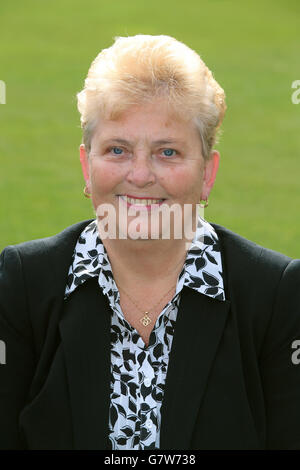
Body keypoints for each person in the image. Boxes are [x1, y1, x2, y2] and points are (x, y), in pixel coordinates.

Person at [1, 34, 300, 451]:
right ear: (87, 166)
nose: (140, 175)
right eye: (118, 149)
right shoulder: (22, 284)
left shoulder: (275, 295)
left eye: (168, 153)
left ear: (207, 174)